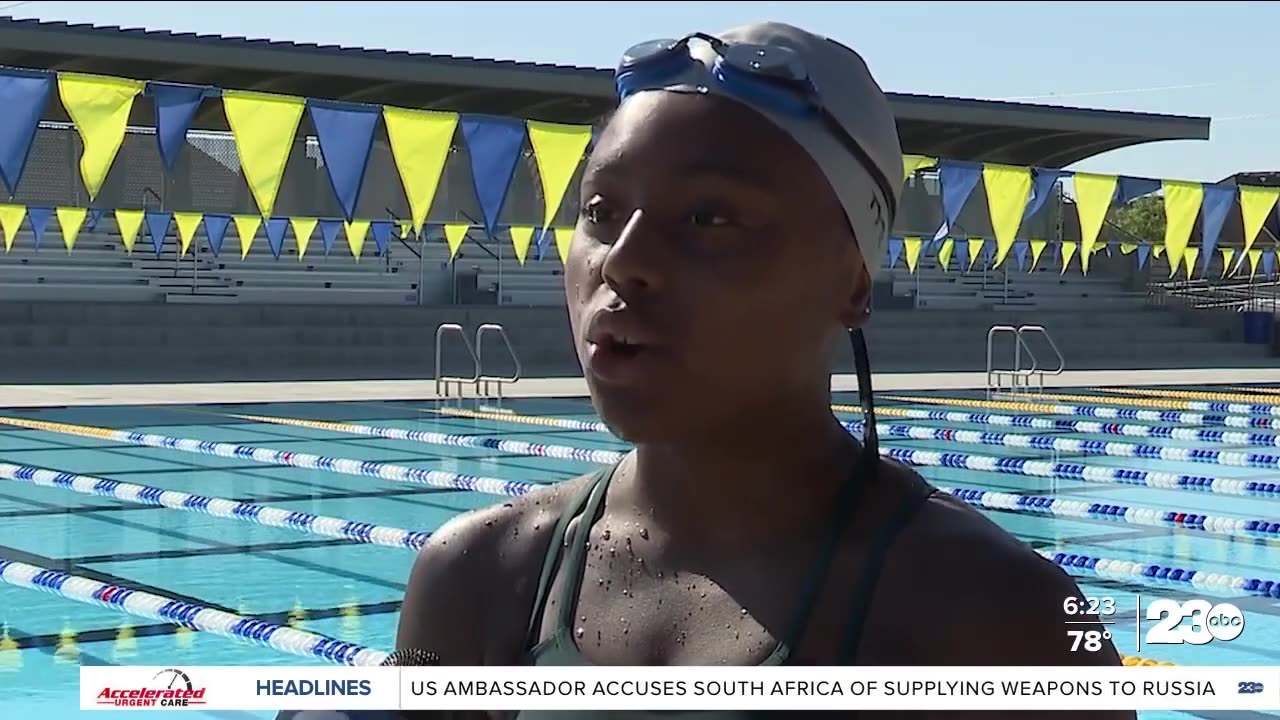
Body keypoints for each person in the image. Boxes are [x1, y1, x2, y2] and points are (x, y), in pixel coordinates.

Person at [389, 20, 1127, 720]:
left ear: (853, 281)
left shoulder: (1000, 623)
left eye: (711, 217)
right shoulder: (476, 576)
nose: (624, 260)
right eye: (601, 210)